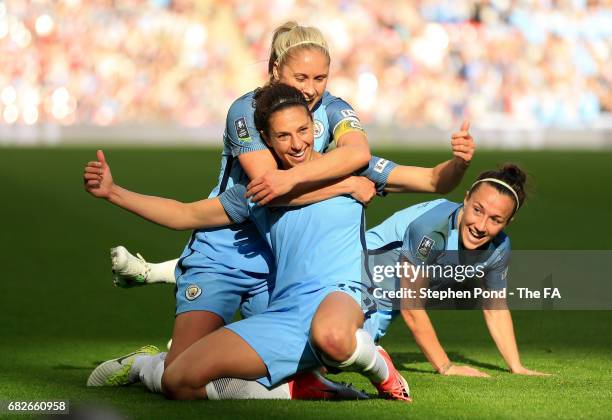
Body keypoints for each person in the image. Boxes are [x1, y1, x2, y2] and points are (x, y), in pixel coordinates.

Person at [94, 20, 474, 387]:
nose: (311, 90)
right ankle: (148, 364)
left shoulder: (333, 110)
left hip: (277, 259)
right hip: (223, 246)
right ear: (275, 70)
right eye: (300, 78)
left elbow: (386, 164)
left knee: (287, 366)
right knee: (180, 376)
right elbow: (267, 190)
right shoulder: (249, 110)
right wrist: (344, 184)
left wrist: (458, 163)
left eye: (320, 78)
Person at [84, 83, 413, 401]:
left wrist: (457, 162)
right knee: (177, 380)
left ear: (314, 127)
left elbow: (430, 179)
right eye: (283, 136)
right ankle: (286, 391)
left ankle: (381, 368)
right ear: (267, 140)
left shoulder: (350, 167)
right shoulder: (257, 194)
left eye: (302, 130)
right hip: (285, 310)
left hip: (341, 294)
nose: (297, 143)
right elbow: (184, 215)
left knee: (332, 336)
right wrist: (114, 192)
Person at [363, 164, 550, 377]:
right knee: (335, 349)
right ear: (466, 198)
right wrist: (446, 366)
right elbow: (411, 306)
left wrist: (517, 367)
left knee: (347, 355)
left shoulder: (499, 248)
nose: (481, 226)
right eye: (477, 210)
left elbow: (495, 308)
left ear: (508, 221)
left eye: (496, 219)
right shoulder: (431, 230)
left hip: (386, 301)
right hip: (355, 279)